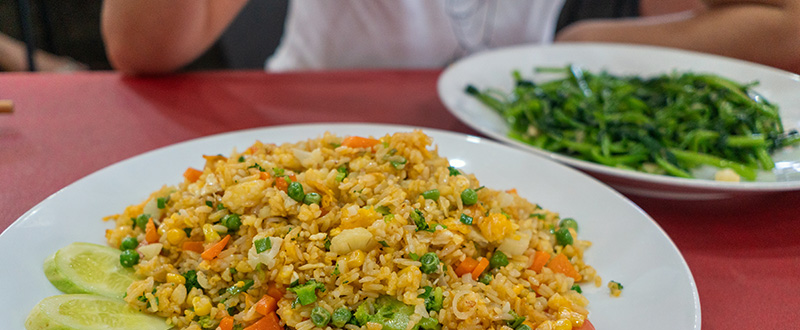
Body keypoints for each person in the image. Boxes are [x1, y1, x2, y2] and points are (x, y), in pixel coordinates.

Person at [100, 0, 800, 75]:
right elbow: (140, 45)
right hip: (304, 134)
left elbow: (783, 26)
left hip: (519, 150)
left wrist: (587, 42)